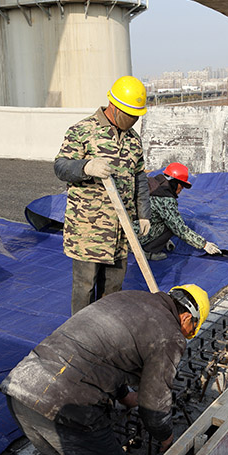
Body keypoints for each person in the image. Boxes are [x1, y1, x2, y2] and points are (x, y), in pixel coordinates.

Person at [0, 284, 210, 455]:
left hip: (21, 385)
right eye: (191, 330)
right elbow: (154, 404)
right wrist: (165, 435)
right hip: (64, 401)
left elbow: (103, 351)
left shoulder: (128, 297)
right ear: (186, 318)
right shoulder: (169, 335)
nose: (186, 336)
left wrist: (124, 395)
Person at [54, 76, 151, 315]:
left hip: (121, 230)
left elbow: (139, 177)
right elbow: (60, 167)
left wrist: (143, 214)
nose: (134, 120)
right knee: (85, 287)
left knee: (113, 290)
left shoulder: (133, 140)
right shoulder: (83, 131)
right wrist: (85, 167)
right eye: (130, 114)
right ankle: (81, 332)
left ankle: (106, 329)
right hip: (89, 229)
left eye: (137, 115)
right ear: (114, 106)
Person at [138, 162, 222, 261]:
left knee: (167, 220)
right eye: (181, 185)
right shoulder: (165, 198)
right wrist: (204, 244)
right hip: (138, 234)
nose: (182, 189)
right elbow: (179, 228)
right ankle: (148, 251)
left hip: (130, 229)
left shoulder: (152, 184)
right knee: (172, 225)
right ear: (174, 183)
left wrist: (164, 240)